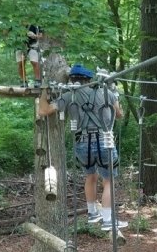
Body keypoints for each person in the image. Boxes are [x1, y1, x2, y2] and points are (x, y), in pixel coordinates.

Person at [37, 63, 127, 230]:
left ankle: (93, 213)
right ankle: (108, 220)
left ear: (72, 79)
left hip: (82, 143)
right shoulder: (106, 93)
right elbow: (119, 114)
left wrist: (44, 92)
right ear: (89, 79)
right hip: (104, 140)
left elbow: (43, 111)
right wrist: (115, 96)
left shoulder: (68, 96)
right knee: (109, 181)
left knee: (90, 177)